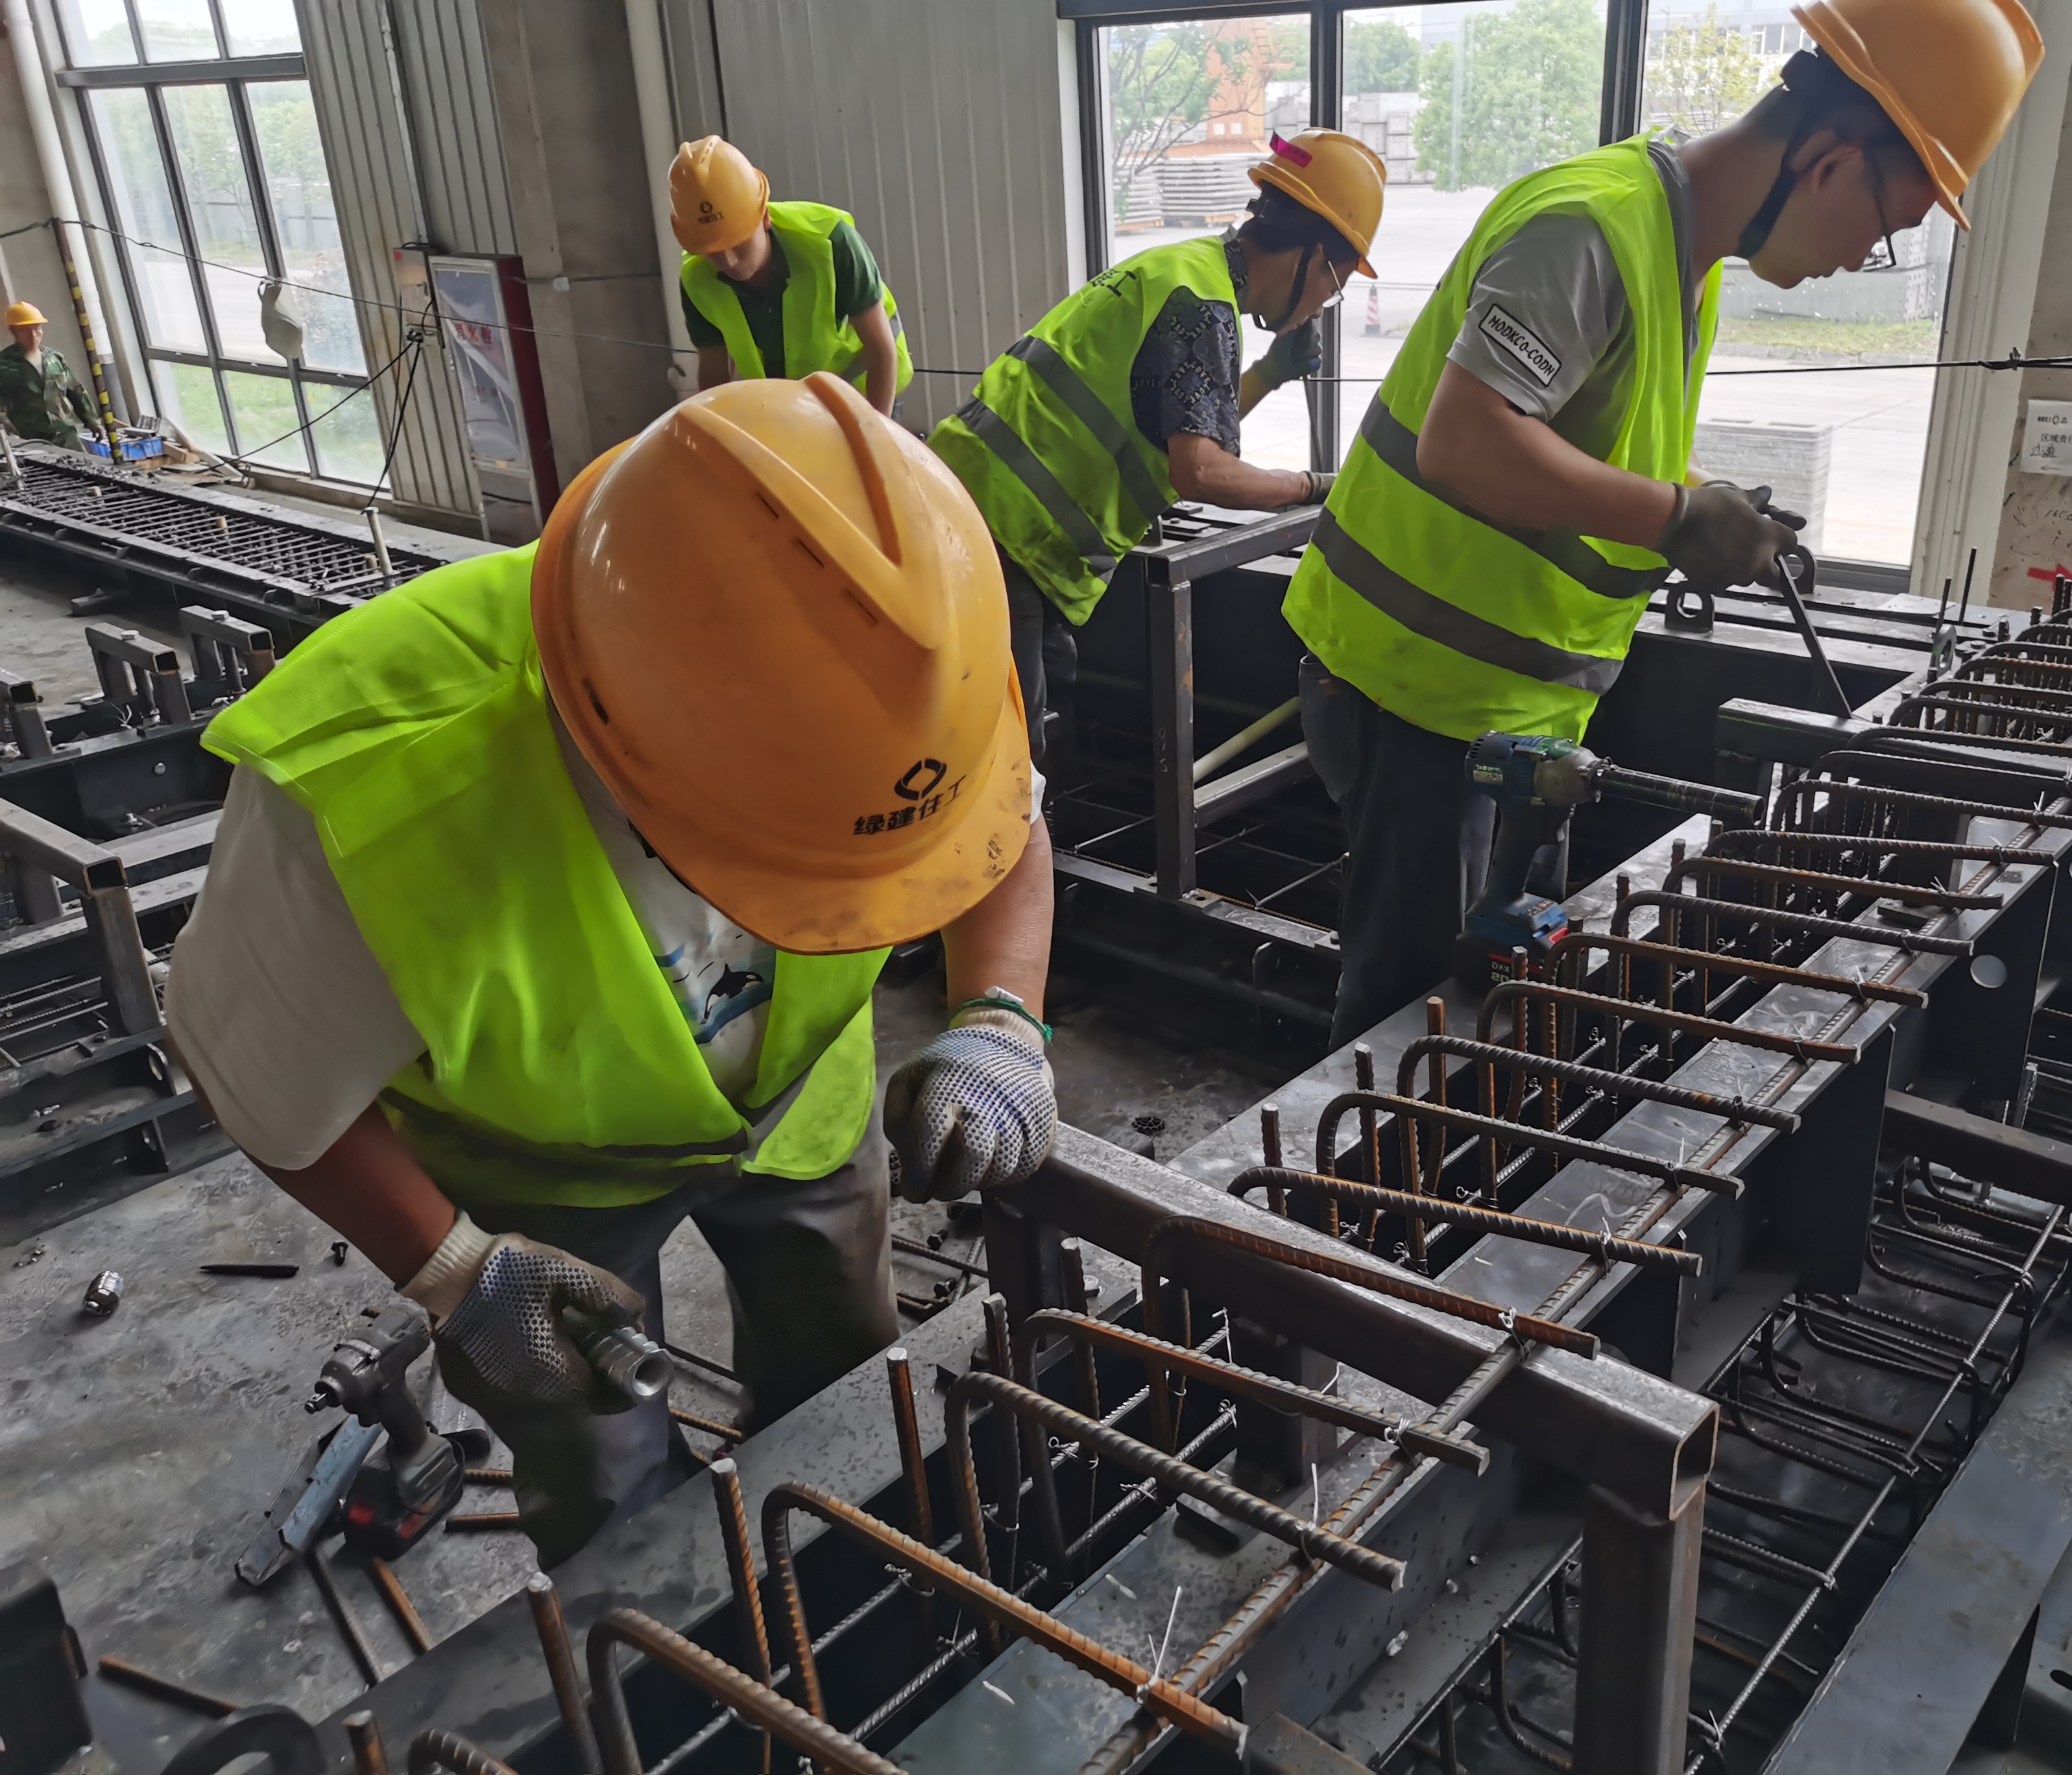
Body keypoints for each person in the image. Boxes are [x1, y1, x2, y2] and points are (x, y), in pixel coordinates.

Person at [164, 376, 1057, 1564]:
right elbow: (257, 1078)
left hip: (802, 1105)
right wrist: (453, 1269)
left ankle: (853, 1577)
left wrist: (1000, 1018)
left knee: (850, 1387)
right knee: (605, 1481)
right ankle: (657, 1647)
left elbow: (996, 835)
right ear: (625, 754)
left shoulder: (913, 672)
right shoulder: (366, 790)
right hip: (545, 1169)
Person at [1284, 0, 2043, 1043]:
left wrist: (1704, 499)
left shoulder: (1687, 256)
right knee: (1412, 1024)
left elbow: (1590, 431)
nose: (1859, 257)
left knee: (1491, 1000)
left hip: (1515, 710)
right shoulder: (1590, 227)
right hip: (1418, 696)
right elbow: (1466, 440)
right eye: (1883, 235)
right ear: (1831, 162)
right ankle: (1364, 1159)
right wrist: (1678, 517)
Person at [930, 129, 1387, 764]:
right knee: (1004, 760)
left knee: (1037, 724)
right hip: (1002, 535)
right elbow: (1201, 471)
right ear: (1316, 257)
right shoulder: (1201, 305)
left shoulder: (1187, 271)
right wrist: (1313, 487)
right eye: (1332, 290)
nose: (1320, 308)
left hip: (976, 513)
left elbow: (1175, 425)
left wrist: (1268, 374)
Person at [671, 136, 913, 417]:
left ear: (764, 217)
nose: (729, 262)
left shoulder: (830, 244)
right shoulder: (697, 281)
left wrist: (873, 433)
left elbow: (880, 350)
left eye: (739, 244)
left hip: (865, 399)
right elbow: (714, 381)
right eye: (712, 252)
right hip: (786, 412)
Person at [0, 301, 99, 446]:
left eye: (37, 329)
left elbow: (75, 390)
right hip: (31, 439)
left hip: (66, 434)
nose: (33, 335)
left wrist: (92, 421)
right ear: (14, 332)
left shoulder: (54, 359)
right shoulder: (4, 364)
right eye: (25, 330)